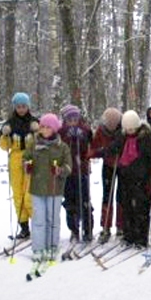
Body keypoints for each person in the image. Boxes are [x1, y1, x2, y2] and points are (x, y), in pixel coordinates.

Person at [23, 113, 71, 261]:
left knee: (52, 219)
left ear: (54, 129)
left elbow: (69, 167)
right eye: (42, 126)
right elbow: (25, 158)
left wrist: (60, 170)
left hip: (55, 188)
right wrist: (27, 165)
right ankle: (38, 248)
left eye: (47, 127)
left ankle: (52, 246)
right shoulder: (34, 144)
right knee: (38, 219)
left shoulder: (61, 146)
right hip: (37, 188)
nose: (43, 129)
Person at [0, 92, 37, 240]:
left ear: (28, 107)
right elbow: (4, 146)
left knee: (30, 194)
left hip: (30, 158)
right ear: (15, 107)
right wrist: (4, 135)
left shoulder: (34, 122)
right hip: (15, 159)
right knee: (18, 195)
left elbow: (42, 141)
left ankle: (37, 224)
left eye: (24, 106)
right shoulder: (9, 123)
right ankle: (23, 226)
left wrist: (37, 131)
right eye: (18, 106)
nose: (21, 109)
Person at [115, 111, 151, 248]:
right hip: (125, 177)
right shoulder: (122, 137)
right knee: (126, 207)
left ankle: (141, 237)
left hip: (141, 178)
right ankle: (129, 235)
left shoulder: (146, 138)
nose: (130, 131)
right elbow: (115, 148)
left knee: (141, 208)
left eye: (132, 129)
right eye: (128, 129)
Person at [89, 107, 125, 243]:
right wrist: (101, 152)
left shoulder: (123, 130)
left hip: (122, 166)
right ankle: (105, 226)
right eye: (108, 123)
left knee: (121, 195)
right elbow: (94, 146)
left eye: (113, 124)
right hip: (108, 166)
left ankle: (121, 226)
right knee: (107, 195)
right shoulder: (101, 130)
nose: (110, 127)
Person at [59, 104, 93, 243]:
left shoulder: (84, 129)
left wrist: (82, 137)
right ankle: (74, 229)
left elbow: (90, 145)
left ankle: (88, 228)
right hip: (68, 171)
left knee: (84, 201)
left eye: (75, 118)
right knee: (70, 202)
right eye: (69, 119)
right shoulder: (61, 131)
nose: (73, 121)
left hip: (82, 170)